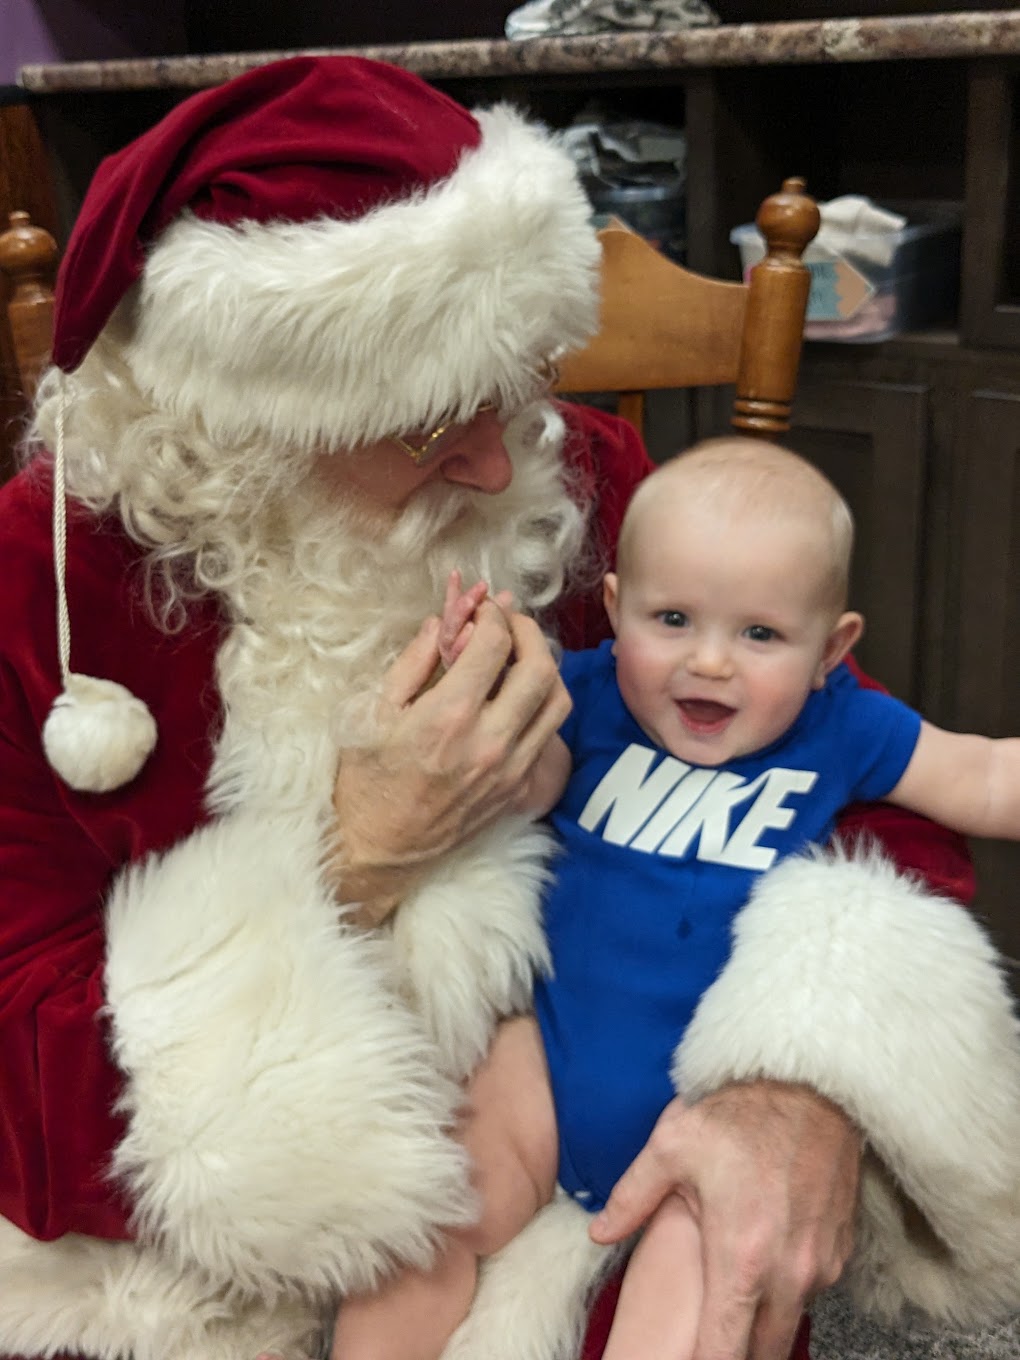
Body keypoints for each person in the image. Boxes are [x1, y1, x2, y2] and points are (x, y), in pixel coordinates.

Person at [0, 51, 1018, 1360]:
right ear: (238, 430)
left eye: (515, 380)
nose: (498, 460)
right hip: (185, 1239)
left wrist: (796, 1080)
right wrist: (355, 861)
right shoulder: (43, 579)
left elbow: (850, 765)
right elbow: (23, 1052)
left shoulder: (580, 475)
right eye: (426, 423)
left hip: (589, 1168)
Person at [332, 437, 1020, 1360]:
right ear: (617, 611)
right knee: (427, 1213)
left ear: (831, 650)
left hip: (704, 1118)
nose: (710, 662)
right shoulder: (588, 695)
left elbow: (984, 777)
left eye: (760, 635)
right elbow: (522, 786)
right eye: (672, 619)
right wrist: (478, 679)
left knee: (694, 1296)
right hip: (545, 1074)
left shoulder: (847, 725)